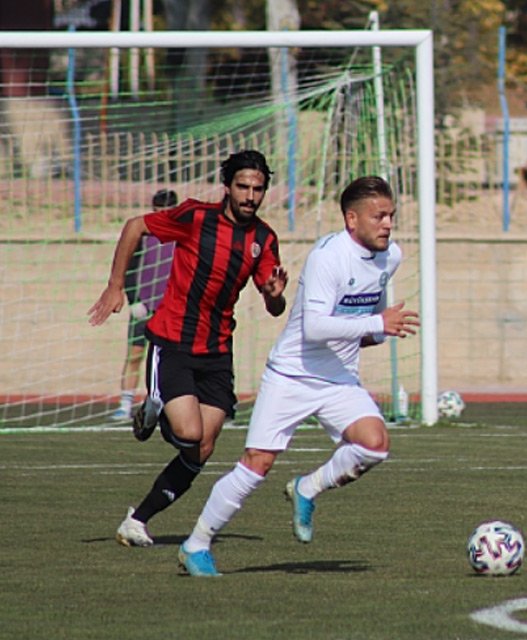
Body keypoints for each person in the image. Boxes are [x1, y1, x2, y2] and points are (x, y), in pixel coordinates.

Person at [177, 176, 416, 577]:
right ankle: (196, 544)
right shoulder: (328, 257)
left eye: (391, 215)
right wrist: (377, 321)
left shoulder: (390, 256)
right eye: (379, 216)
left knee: (374, 445)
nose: (388, 224)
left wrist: (377, 328)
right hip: (293, 374)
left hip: (339, 376)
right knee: (257, 464)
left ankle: (307, 488)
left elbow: (359, 321)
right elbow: (315, 329)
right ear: (351, 219)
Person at [87, 150, 288, 547]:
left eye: (258, 189)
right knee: (189, 431)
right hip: (173, 341)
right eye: (243, 187)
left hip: (216, 352)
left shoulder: (263, 239)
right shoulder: (196, 217)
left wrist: (274, 295)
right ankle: (153, 410)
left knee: (201, 449)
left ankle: (137, 520)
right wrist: (115, 285)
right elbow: (134, 226)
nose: (250, 196)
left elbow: (275, 304)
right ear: (227, 187)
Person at [111, 189, 178, 423]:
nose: (162, 216)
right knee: (135, 355)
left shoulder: (183, 238)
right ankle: (124, 405)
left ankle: (167, 405)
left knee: (171, 359)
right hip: (145, 307)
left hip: (171, 310)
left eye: (166, 212)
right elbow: (128, 269)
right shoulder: (143, 236)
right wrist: (134, 299)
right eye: (158, 212)